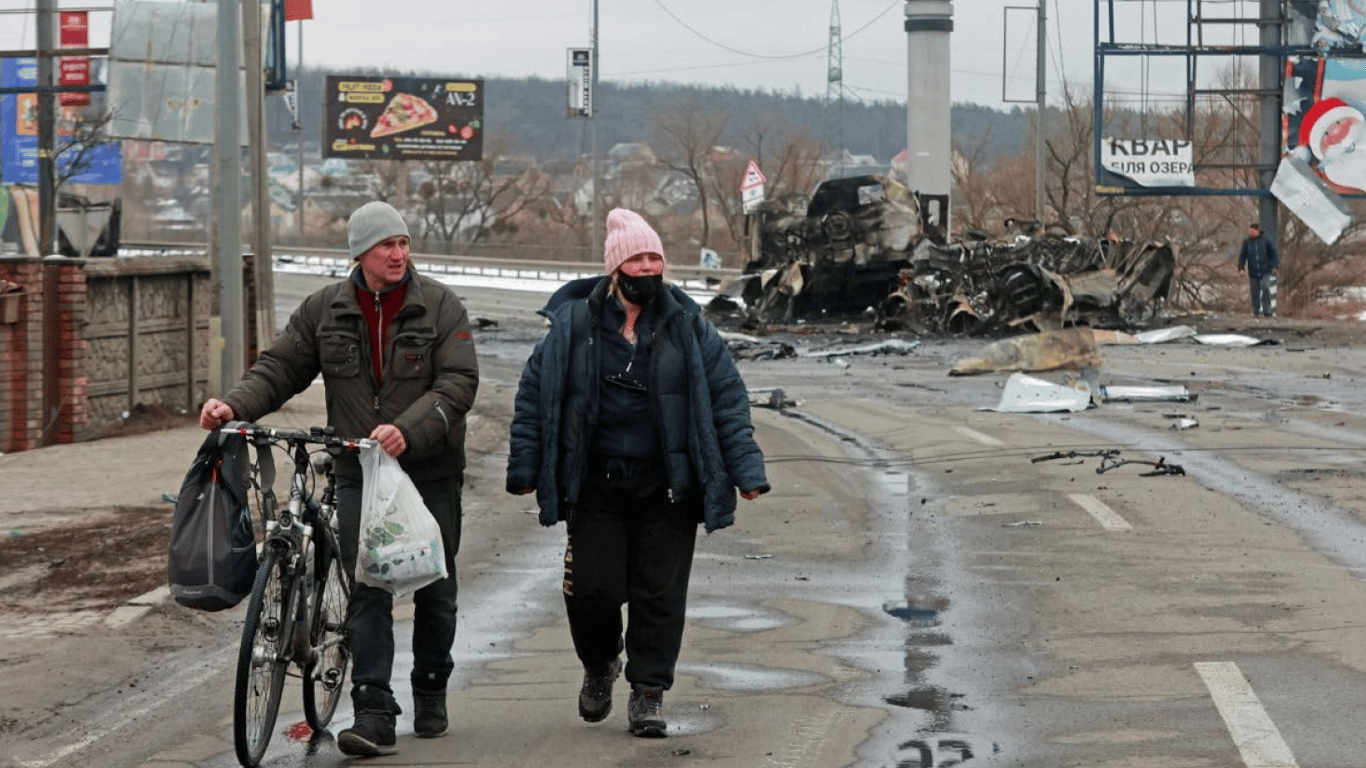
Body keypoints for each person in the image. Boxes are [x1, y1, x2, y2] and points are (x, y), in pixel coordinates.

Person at [199, 201, 479, 757]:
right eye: (386, 246)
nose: (398, 254)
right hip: (358, 471)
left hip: (428, 470)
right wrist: (232, 407)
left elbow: (458, 385)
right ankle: (374, 709)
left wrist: (406, 430)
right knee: (367, 585)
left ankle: (429, 687)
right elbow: (279, 368)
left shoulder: (441, 307)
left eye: (403, 243)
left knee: (434, 589)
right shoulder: (326, 310)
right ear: (360, 254)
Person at [505, 208, 770, 738]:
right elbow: (535, 397)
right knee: (591, 591)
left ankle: (649, 692)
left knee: (659, 594)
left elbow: (727, 402)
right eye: (638, 259)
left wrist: (746, 470)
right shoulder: (574, 325)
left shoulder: (689, 325)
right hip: (596, 481)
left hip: (668, 485)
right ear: (615, 269)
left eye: (656, 258)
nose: (649, 268)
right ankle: (601, 664)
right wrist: (525, 466)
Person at [1236, 222, 1279, 318]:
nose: (1250, 233)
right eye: (1249, 231)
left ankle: (1267, 309)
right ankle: (1255, 310)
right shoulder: (1247, 242)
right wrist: (1241, 268)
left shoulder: (1266, 240)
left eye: (1252, 231)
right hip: (1253, 271)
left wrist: (1275, 265)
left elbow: (1273, 252)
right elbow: (1242, 255)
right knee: (1254, 292)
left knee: (1265, 287)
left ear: (1257, 231)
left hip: (1266, 270)